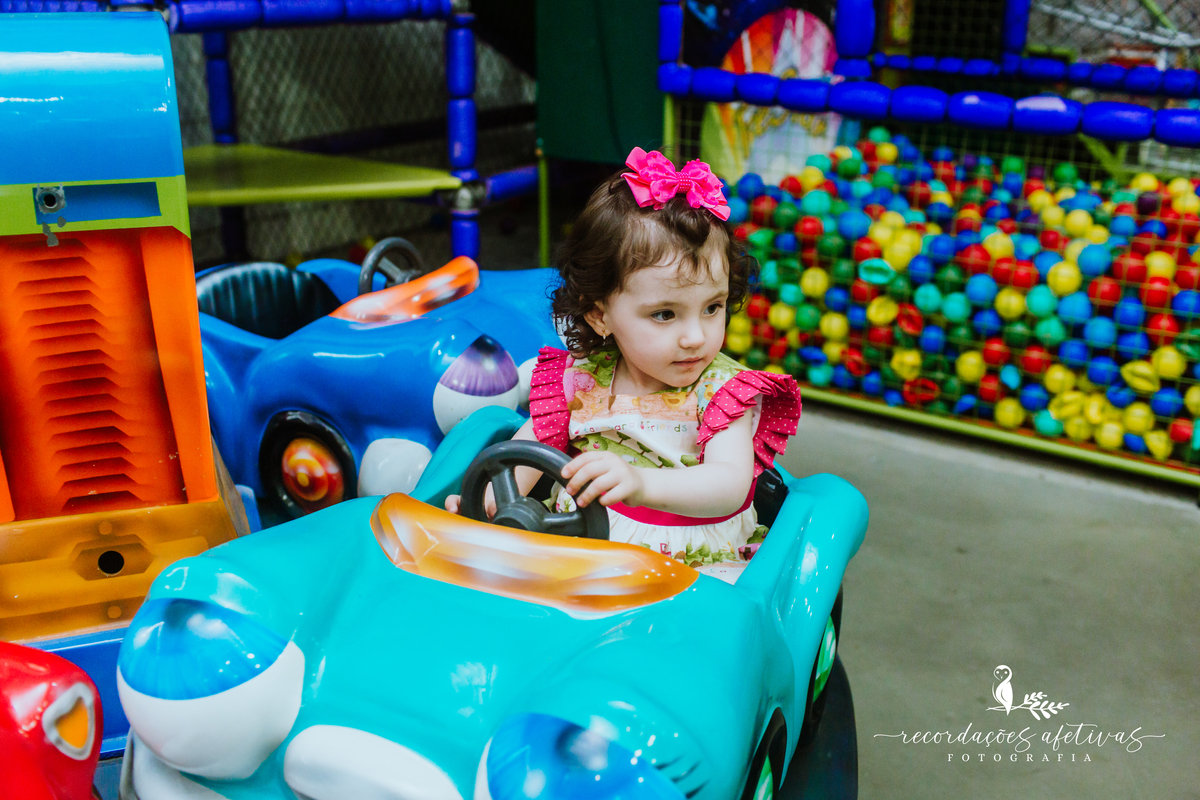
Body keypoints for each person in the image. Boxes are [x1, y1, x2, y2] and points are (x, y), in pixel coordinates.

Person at [446, 147, 801, 581]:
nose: (696, 336)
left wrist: (642, 484)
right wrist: (487, 503)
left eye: (713, 307)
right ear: (600, 315)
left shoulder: (723, 393)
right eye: (665, 314)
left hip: (689, 574)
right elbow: (517, 464)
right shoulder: (577, 382)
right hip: (574, 559)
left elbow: (728, 485)